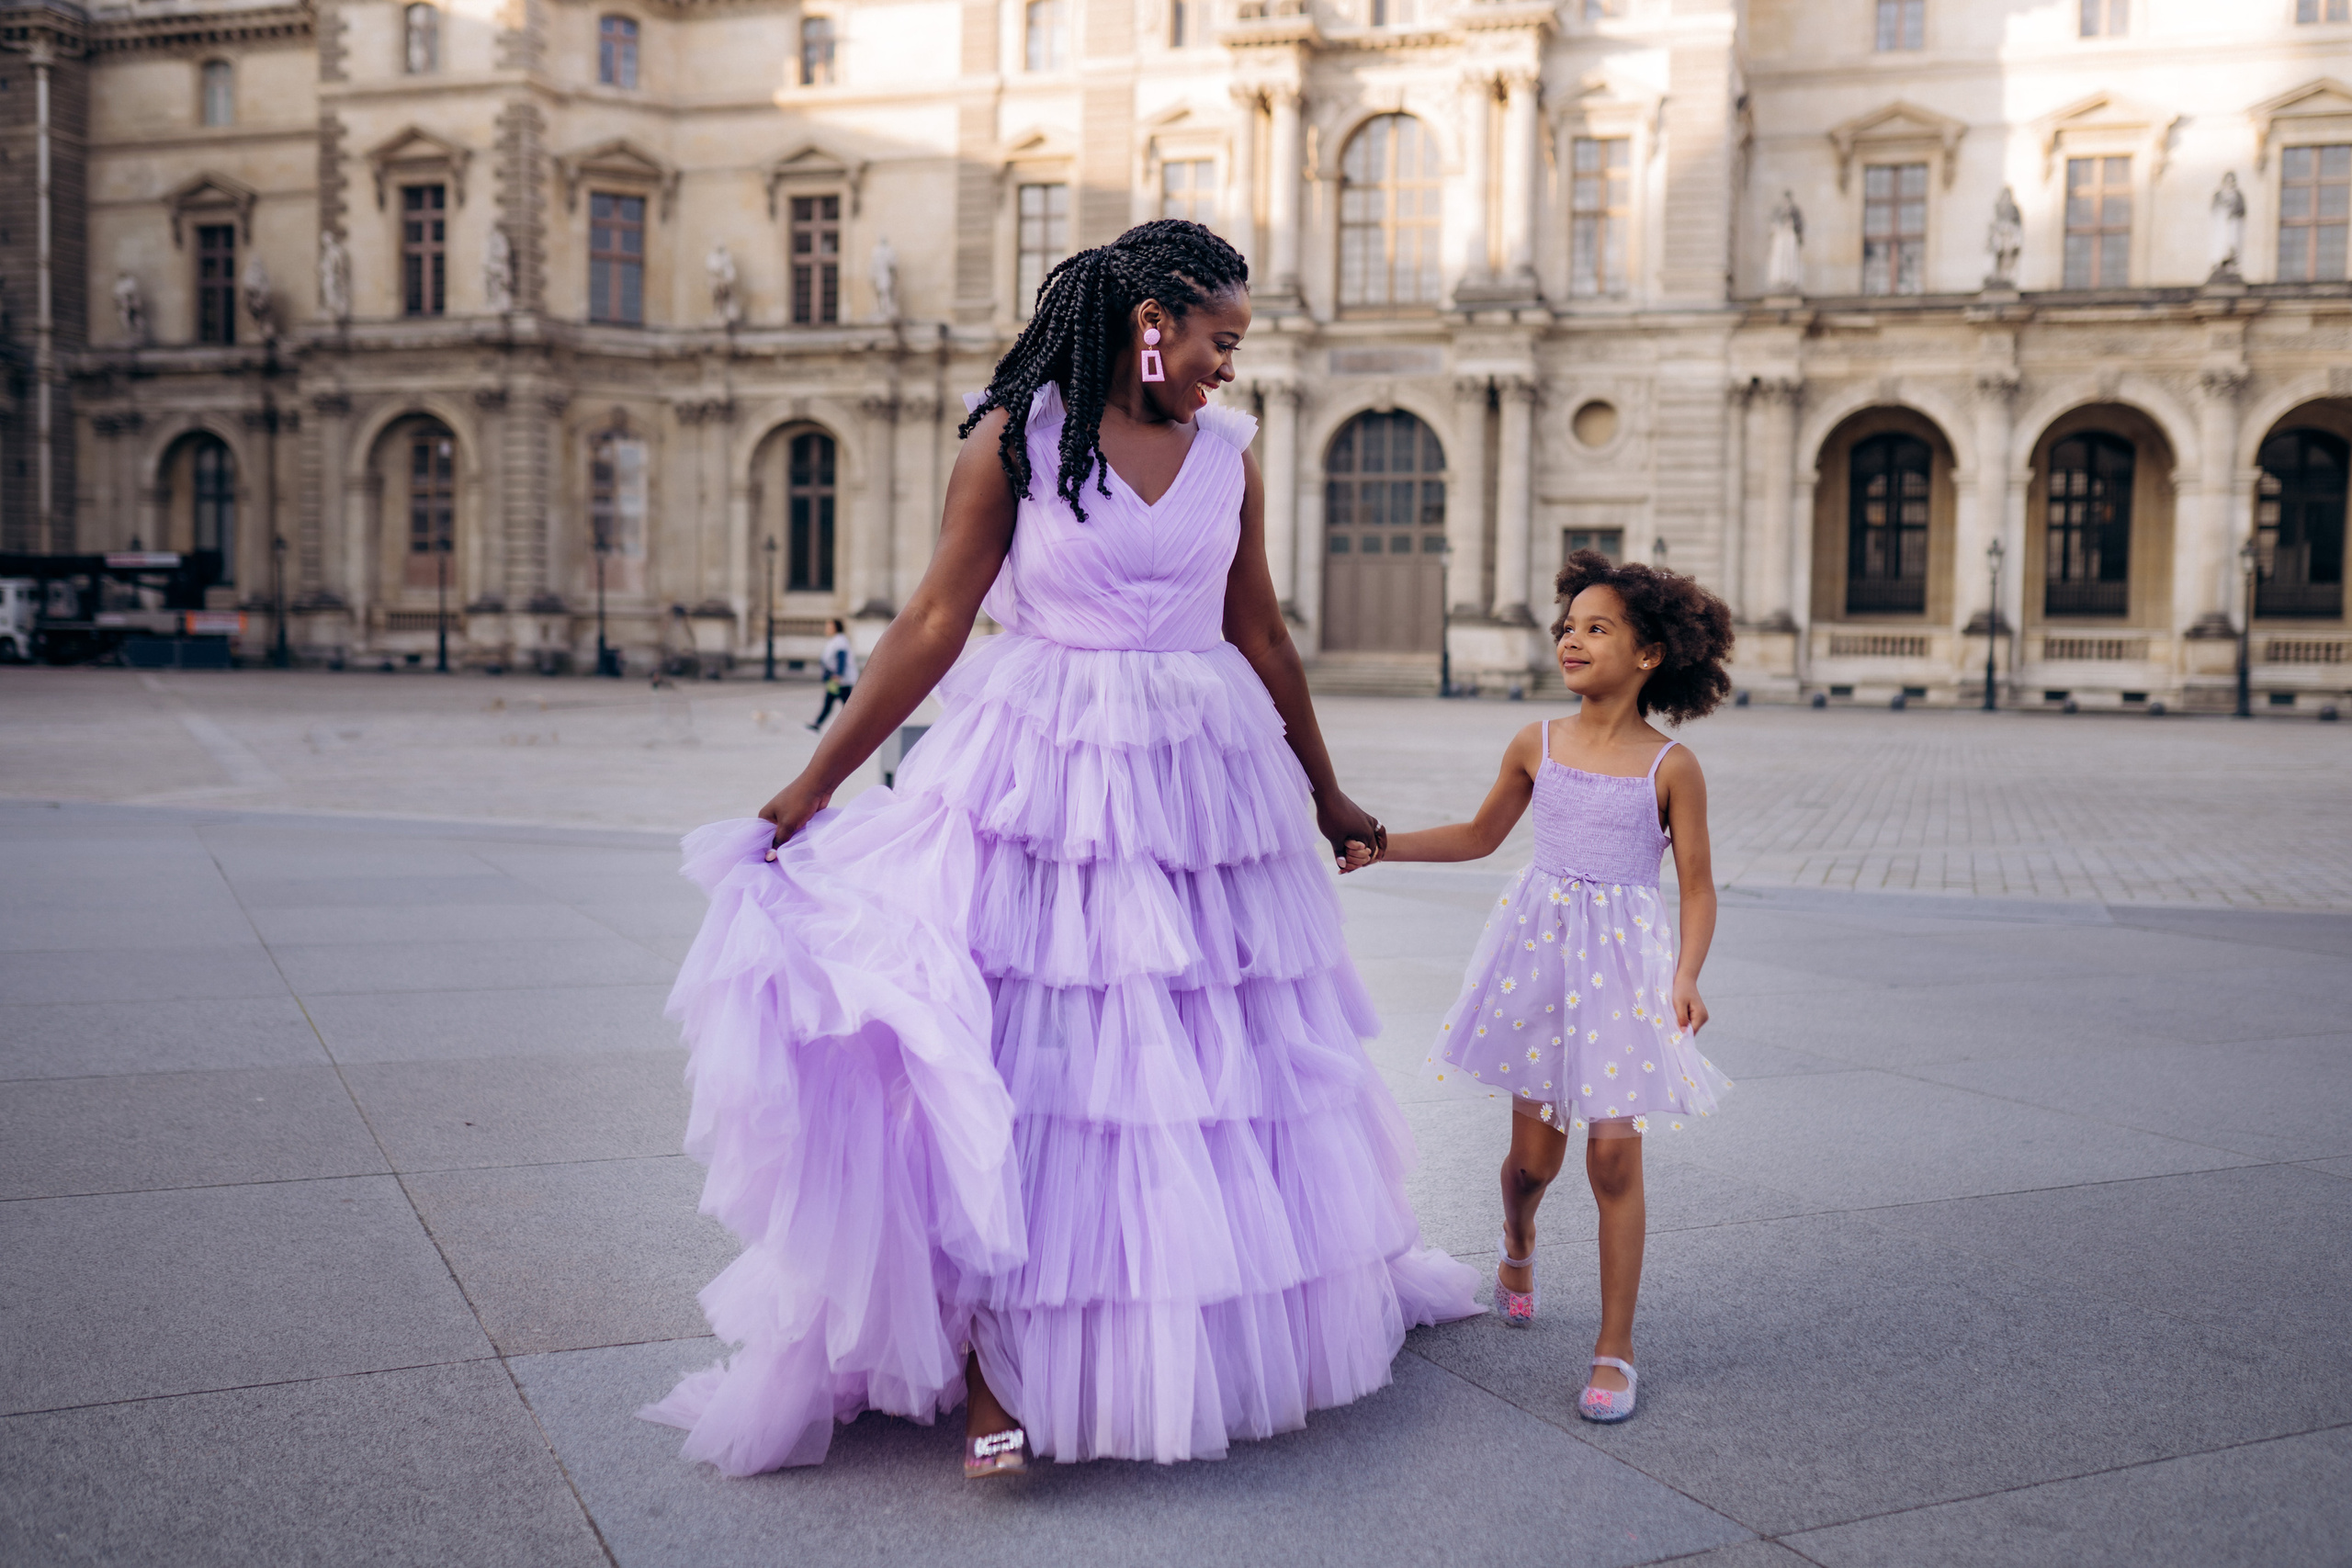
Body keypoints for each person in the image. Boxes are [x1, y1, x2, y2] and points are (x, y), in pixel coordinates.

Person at [639, 219, 1479, 1479]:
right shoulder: (1014, 436)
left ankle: (1182, 1323)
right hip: (1045, 774)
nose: (1229, 368)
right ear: (1152, 325)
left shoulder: (1232, 457)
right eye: (1219, 341)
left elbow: (1264, 636)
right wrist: (810, 786)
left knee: (1203, 1064)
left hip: (1209, 792)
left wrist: (1326, 789)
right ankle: (993, 1361)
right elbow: (934, 618)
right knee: (1034, 1065)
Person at [1364, 550, 1736, 1426]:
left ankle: (1616, 1345)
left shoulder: (1671, 766)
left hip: (1625, 973)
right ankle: (1517, 1237)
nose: (1572, 638)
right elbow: (1479, 834)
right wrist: (1383, 842)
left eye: (1596, 628)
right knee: (1533, 1163)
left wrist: (1686, 973)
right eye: (1567, 625)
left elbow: (1697, 886)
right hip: (1538, 962)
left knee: (1613, 1157)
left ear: (1650, 654)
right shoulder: (1537, 741)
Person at [806, 617, 855, 729]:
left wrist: (838, 675)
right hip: (836, 679)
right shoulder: (836, 640)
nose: (827, 629)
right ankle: (817, 724)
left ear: (836, 628)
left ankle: (853, 725)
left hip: (840, 680)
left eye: (829, 627)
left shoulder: (840, 642)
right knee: (832, 703)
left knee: (845, 705)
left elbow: (841, 659)